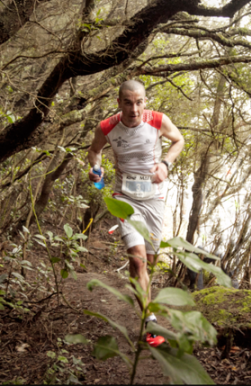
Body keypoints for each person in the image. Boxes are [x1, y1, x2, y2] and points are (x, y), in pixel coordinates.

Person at [87, 80, 185, 348]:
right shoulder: (107, 127)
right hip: (125, 197)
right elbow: (94, 152)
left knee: (150, 263)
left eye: (139, 102)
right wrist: (96, 169)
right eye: (128, 102)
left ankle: (145, 305)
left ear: (145, 101)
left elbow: (179, 140)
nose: (134, 108)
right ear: (119, 102)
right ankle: (149, 321)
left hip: (154, 197)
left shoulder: (157, 120)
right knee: (138, 261)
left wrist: (166, 164)